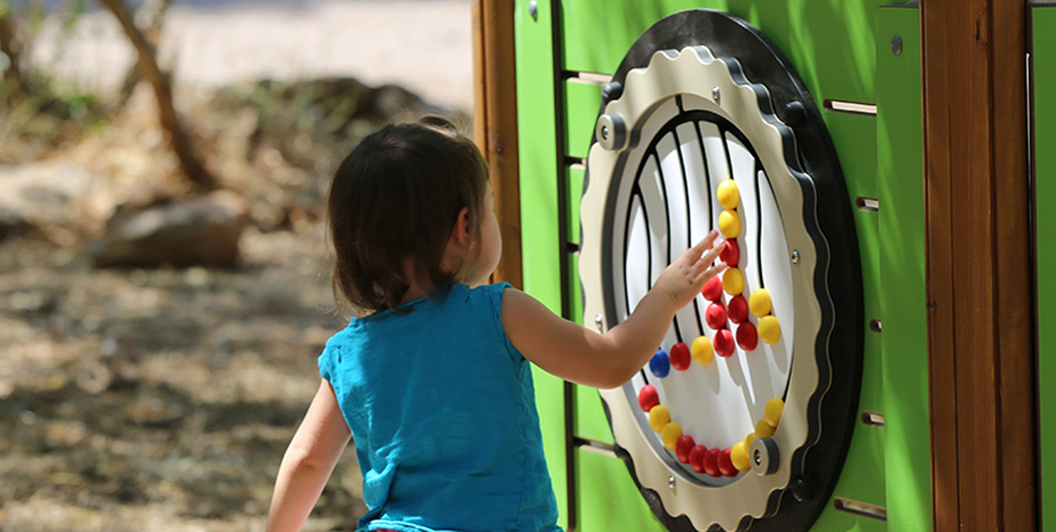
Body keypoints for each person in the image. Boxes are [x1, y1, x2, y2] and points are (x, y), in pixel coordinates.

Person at [264, 118, 727, 532]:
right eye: (489, 207)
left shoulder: (351, 354)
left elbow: (306, 461)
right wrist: (665, 295)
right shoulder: (498, 311)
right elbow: (610, 362)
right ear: (466, 227)